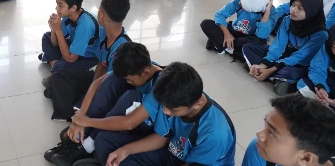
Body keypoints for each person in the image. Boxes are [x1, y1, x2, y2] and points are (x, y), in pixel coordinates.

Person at [44, 0, 135, 164]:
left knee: (70, 130)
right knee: (60, 75)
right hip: (103, 84)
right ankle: (75, 110)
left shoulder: (122, 49)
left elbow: (108, 86)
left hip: (114, 96)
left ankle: (82, 144)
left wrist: (83, 115)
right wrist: (82, 113)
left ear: (101, 15)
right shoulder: (106, 36)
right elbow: (99, 72)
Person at [99, 62, 236, 166]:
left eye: (172, 110)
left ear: (197, 104)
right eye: (164, 106)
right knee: (106, 143)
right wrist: (126, 150)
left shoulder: (215, 133)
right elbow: (162, 137)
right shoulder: (172, 98)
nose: (165, 111)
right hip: (171, 152)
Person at [49, 43, 164, 166]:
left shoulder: (161, 85)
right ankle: (82, 135)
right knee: (113, 79)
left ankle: (85, 146)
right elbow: (95, 85)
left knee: (131, 97)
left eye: (130, 79)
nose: (128, 81)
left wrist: (87, 121)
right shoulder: (139, 65)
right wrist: (80, 119)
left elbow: (129, 122)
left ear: (146, 73)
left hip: (148, 130)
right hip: (128, 118)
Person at [243, 0, 328, 95]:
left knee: (288, 72)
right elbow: (278, 46)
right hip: (284, 53)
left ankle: (269, 74)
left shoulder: (321, 34)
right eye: (293, 5)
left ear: (311, 12)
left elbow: (301, 56)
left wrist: (270, 69)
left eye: (300, 8)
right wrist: (264, 63)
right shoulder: (287, 20)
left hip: (300, 63)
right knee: (248, 47)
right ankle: (273, 76)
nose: (293, 10)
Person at [242, 94, 335, 166]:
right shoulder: (260, 150)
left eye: (272, 133)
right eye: (266, 125)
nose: (259, 134)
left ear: (305, 158)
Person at [39, 0, 100, 72]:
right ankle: (55, 64)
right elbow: (55, 44)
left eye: (60, 5)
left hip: (88, 56)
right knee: (47, 36)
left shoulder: (85, 24)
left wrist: (58, 30)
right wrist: (54, 29)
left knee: (61, 67)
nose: (56, 8)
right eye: (57, 4)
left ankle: (54, 63)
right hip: (74, 46)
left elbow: (71, 59)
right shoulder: (68, 16)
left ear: (73, 8)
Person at [201, 0, 277, 58]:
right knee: (206, 24)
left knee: (257, 43)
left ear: (253, 8)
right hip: (234, 29)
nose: (240, 3)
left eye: (244, 4)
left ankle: (221, 45)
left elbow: (261, 34)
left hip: (251, 37)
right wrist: (227, 34)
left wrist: (267, 11)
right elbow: (220, 15)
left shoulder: (272, 13)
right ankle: (234, 50)